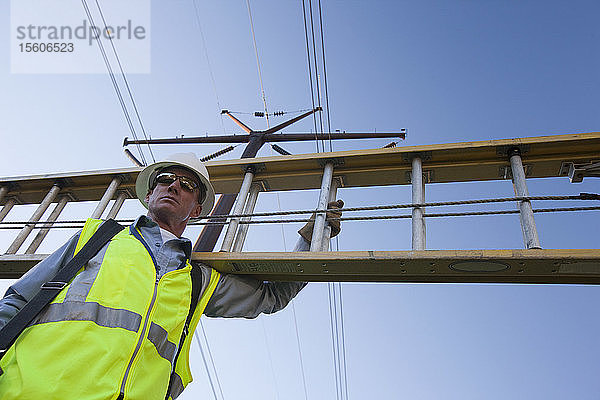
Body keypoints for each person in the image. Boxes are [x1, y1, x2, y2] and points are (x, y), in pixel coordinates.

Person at [0, 153, 342, 400]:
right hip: (29, 391)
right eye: (165, 179)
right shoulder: (97, 239)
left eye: (186, 184)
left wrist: (314, 237)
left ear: (195, 210)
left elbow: (273, 296)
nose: (174, 185)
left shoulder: (197, 280)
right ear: (149, 194)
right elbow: (18, 299)